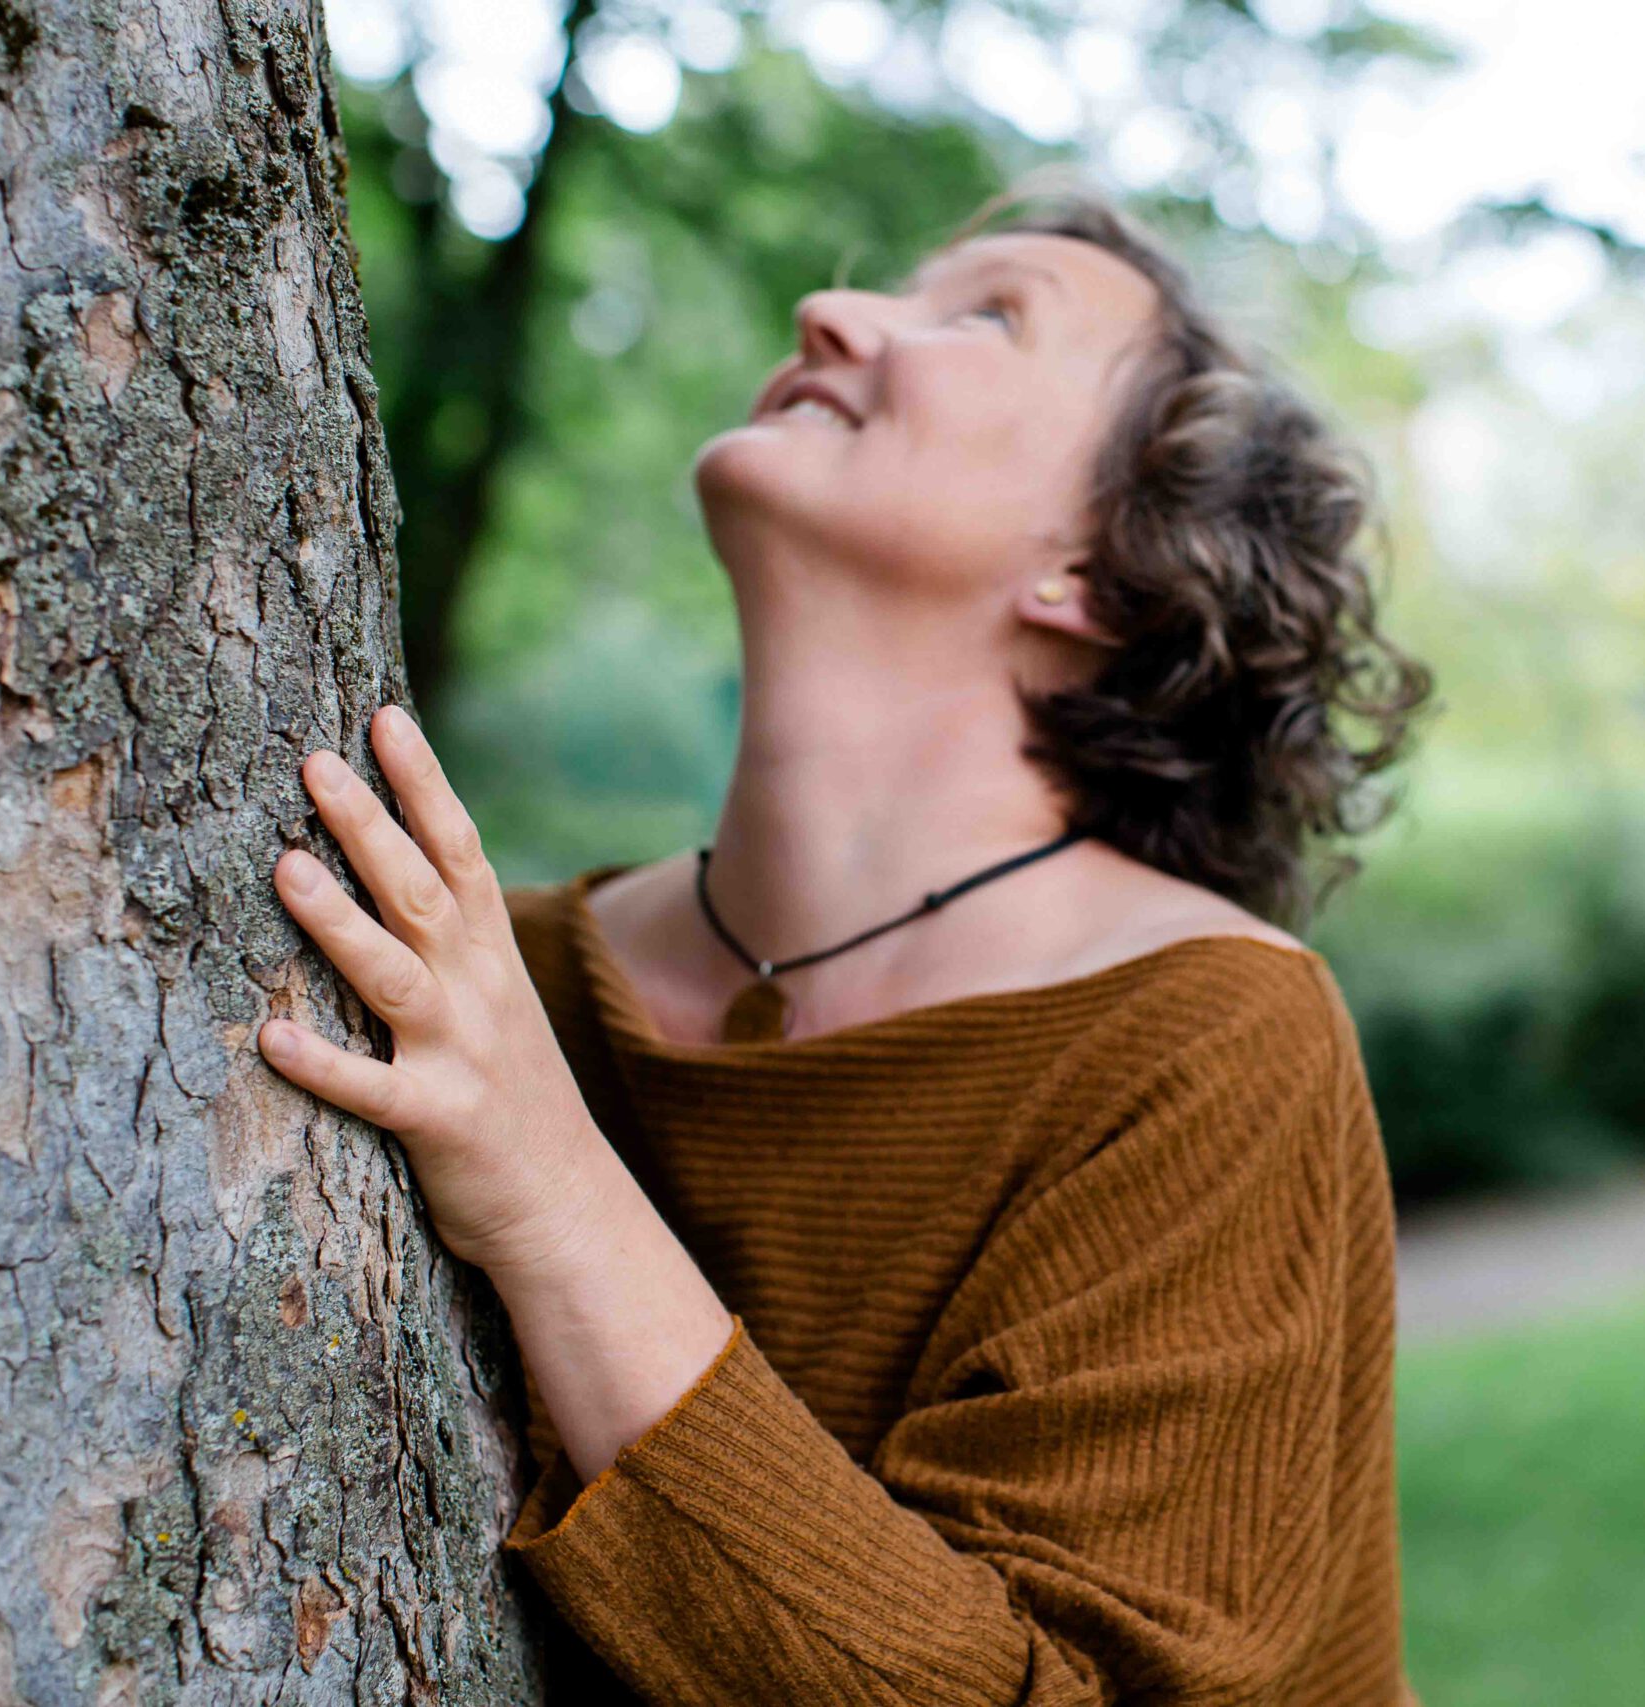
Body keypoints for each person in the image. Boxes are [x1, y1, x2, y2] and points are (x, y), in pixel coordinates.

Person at [263, 166, 1435, 1703]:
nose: (827, 311)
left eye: (988, 320)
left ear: (1098, 570)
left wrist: (548, 1187)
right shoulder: (494, 988)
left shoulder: (1207, 1041)